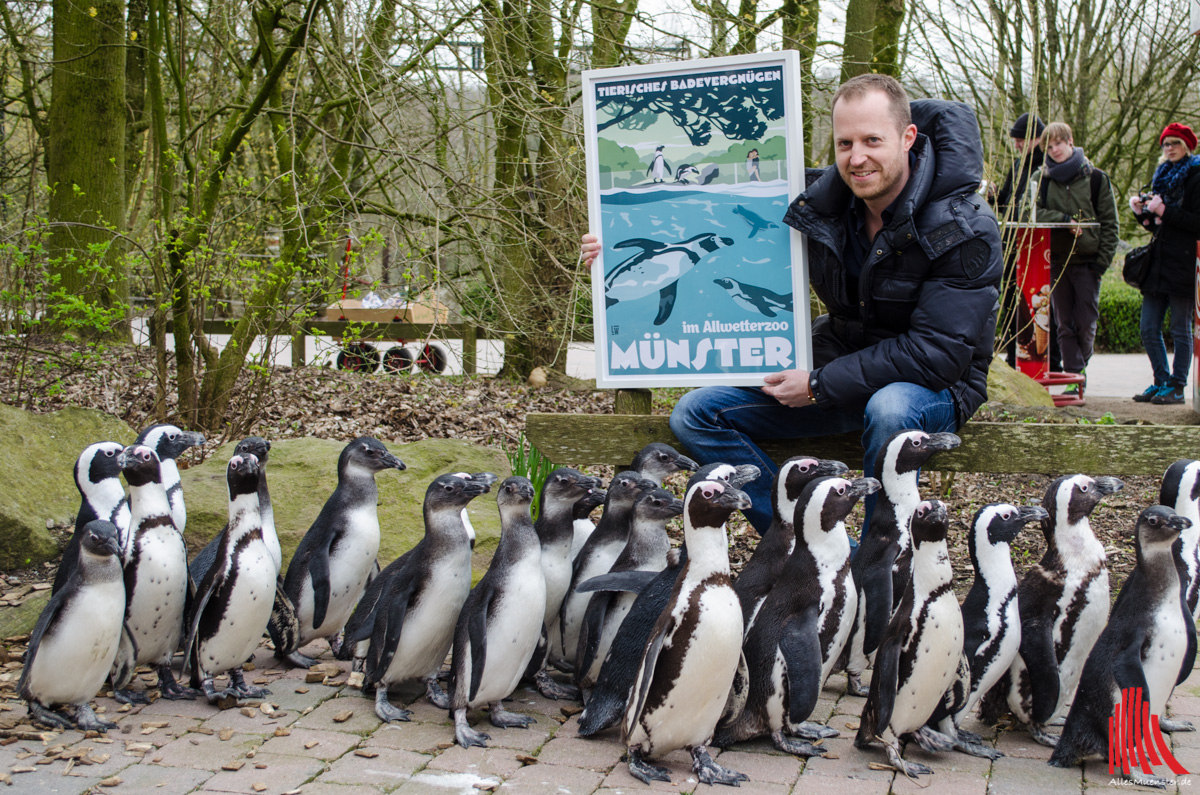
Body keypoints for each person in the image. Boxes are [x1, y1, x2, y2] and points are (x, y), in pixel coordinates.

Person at [582, 74, 1001, 535]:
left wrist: (819, 384)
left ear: (907, 138)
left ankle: (883, 562)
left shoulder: (964, 226)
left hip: (935, 387)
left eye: (872, 141)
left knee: (890, 407)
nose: (856, 158)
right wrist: (614, 250)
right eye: (844, 143)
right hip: (838, 365)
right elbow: (705, 212)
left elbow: (937, 355)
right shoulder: (821, 202)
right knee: (697, 414)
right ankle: (800, 540)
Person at [1021, 122, 1119, 400]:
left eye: (1059, 144)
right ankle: (1076, 378)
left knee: (1085, 323)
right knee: (1063, 323)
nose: (1055, 151)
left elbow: (1110, 223)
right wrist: (1064, 221)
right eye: (1049, 147)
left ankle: (1080, 368)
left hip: (1088, 261)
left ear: (1070, 141)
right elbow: (1031, 211)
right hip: (1056, 259)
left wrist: (1102, 262)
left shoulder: (1096, 178)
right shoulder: (1041, 178)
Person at [1130, 122, 1200, 405]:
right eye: (1166, 144)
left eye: (1175, 143)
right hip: (1159, 261)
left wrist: (1164, 210)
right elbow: (1159, 226)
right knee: (1148, 327)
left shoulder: (1195, 176)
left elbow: (1195, 223)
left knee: (1180, 329)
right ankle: (1161, 380)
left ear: (1187, 146)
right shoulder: (1161, 174)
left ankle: (1177, 385)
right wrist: (1143, 214)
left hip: (1184, 262)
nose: (1169, 148)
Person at [990, 114, 1060, 371]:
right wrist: (994, 197)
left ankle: (1048, 360)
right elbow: (1008, 203)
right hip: (1012, 244)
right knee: (1011, 301)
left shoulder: (1048, 166)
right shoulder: (1017, 165)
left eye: (1021, 140)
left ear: (1036, 139)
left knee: (1040, 306)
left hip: (1038, 247)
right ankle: (1012, 356)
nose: (1017, 145)